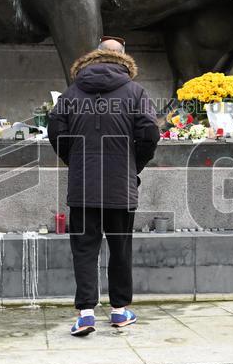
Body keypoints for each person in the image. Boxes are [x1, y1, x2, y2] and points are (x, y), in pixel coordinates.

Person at [48, 38, 159, 336]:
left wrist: (74, 159)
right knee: (120, 249)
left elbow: (55, 129)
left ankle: (85, 314)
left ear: (95, 55)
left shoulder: (72, 93)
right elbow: (149, 133)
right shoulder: (136, 93)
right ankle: (120, 312)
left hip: (83, 185)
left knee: (84, 249)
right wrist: (134, 164)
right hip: (120, 186)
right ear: (123, 58)